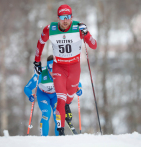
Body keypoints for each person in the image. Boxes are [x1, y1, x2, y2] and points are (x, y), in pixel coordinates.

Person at [33, 4, 97, 135]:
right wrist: (37, 61)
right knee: (60, 99)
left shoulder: (78, 27)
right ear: (58, 18)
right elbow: (40, 43)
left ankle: (67, 106)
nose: (65, 20)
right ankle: (61, 133)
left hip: (74, 68)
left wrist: (87, 33)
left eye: (67, 17)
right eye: (62, 18)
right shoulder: (50, 29)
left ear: (71, 17)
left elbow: (94, 45)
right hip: (59, 67)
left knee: (68, 98)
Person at [25, 55, 82, 136]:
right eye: (51, 71)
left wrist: (78, 89)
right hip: (43, 95)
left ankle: (58, 140)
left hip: (56, 95)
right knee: (46, 113)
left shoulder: (63, 72)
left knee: (57, 115)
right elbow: (27, 88)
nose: (53, 74)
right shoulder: (41, 73)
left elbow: (77, 83)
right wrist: (30, 95)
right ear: (48, 69)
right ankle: (43, 139)